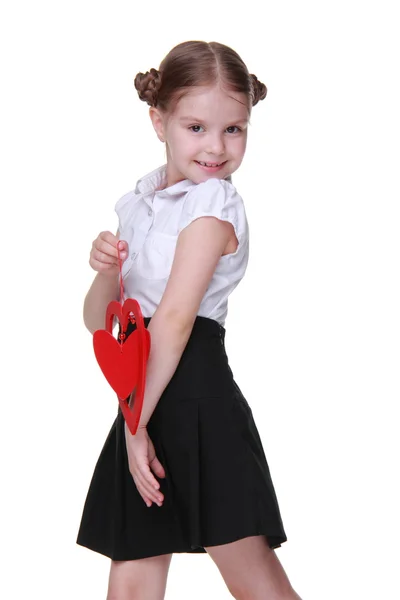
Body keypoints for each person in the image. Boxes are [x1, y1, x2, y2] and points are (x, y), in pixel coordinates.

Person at [77, 40, 302, 600]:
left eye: (235, 129)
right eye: (197, 127)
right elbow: (100, 324)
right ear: (160, 121)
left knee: (256, 584)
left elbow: (175, 321)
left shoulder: (214, 205)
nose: (217, 148)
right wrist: (107, 272)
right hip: (141, 398)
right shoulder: (139, 203)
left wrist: (136, 427)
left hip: (194, 399)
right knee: (131, 581)